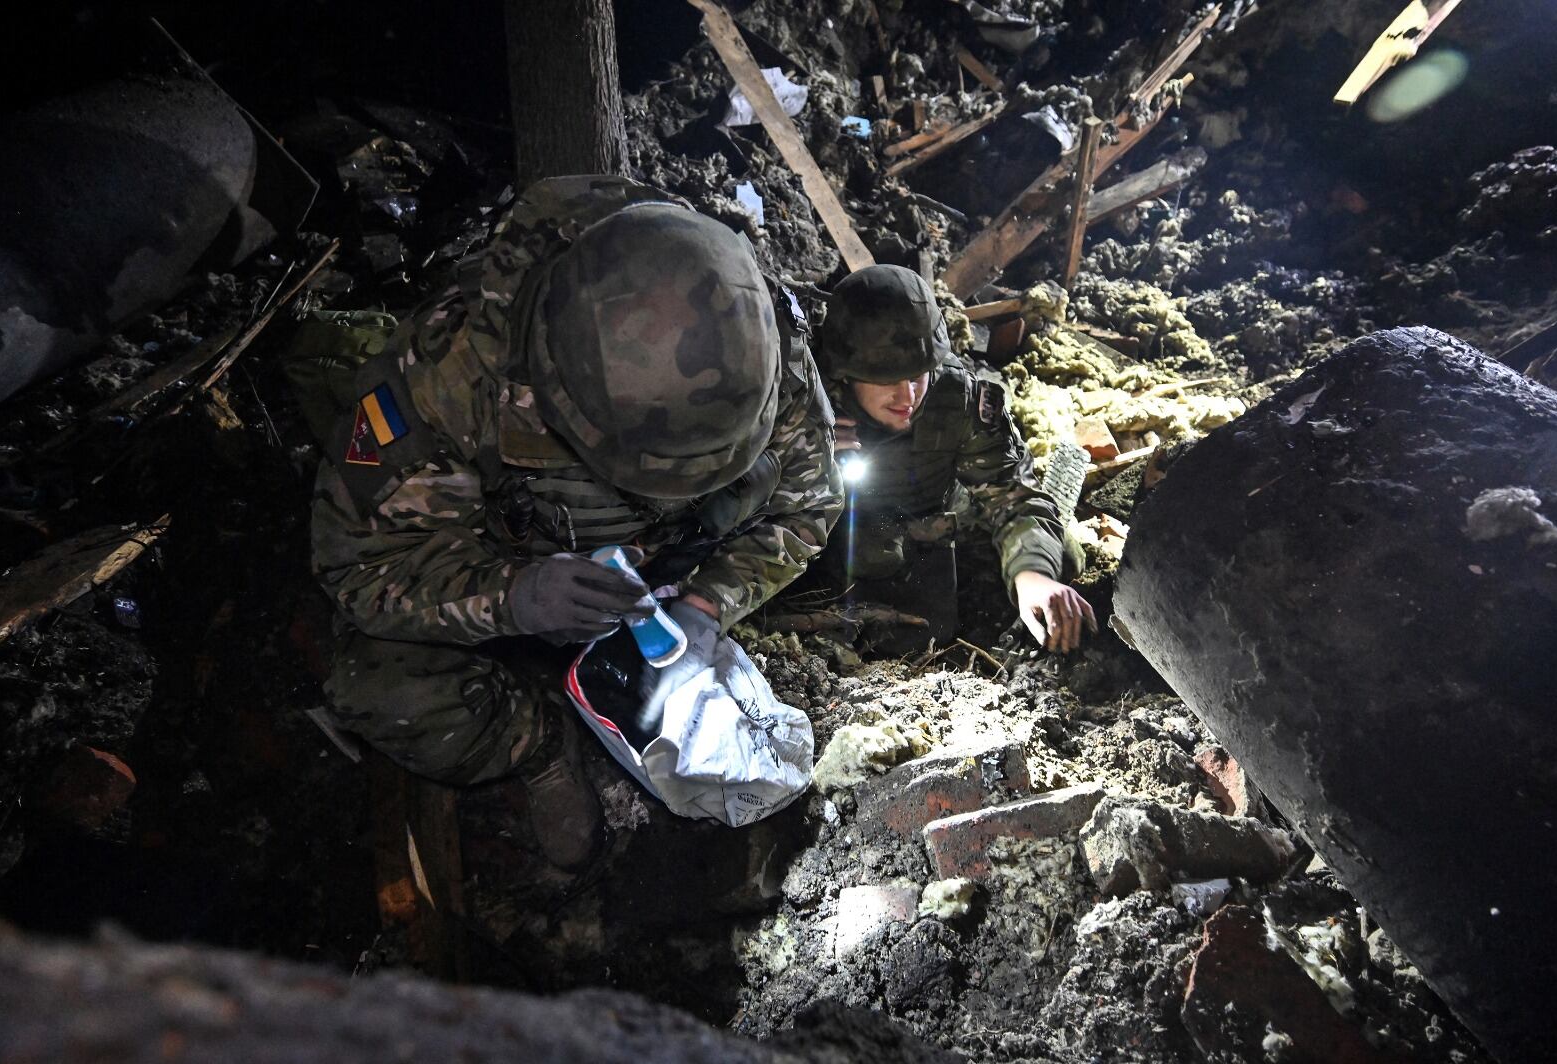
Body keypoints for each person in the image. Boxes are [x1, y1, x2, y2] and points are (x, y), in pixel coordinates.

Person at [310, 175, 843, 870]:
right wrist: (514, 599)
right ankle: (539, 744)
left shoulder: (749, 342)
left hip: (667, 568)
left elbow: (811, 504)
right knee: (376, 685)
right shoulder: (445, 389)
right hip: (509, 567)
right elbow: (358, 570)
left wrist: (712, 602)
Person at [812, 264, 1094, 654]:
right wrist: (805, 455)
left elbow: (1014, 493)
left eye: (918, 375)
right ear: (845, 373)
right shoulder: (806, 402)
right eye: (887, 379)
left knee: (1058, 553)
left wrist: (1032, 576)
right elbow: (749, 503)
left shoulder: (956, 397)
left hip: (936, 512)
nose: (907, 396)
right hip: (846, 528)